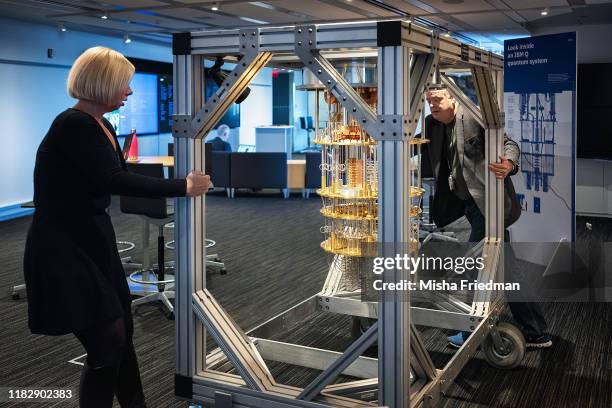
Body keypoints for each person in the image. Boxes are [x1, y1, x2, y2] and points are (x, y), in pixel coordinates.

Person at [23, 46, 211, 408]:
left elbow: (116, 175)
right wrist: (183, 187)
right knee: (106, 340)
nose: (130, 91)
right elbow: (114, 180)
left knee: (121, 335)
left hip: (92, 239)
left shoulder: (102, 124)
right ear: (103, 83)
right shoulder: (73, 124)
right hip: (64, 247)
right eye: (124, 84)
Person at [423, 84, 551, 349]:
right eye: (429, 101)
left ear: (453, 99)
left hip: (487, 203)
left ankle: (471, 331)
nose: (432, 105)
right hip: (463, 202)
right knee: (507, 269)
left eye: (436, 100)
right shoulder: (431, 124)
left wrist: (509, 164)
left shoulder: (473, 116)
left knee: (474, 265)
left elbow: (509, 143)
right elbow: (426, 152)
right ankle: (536, 332)